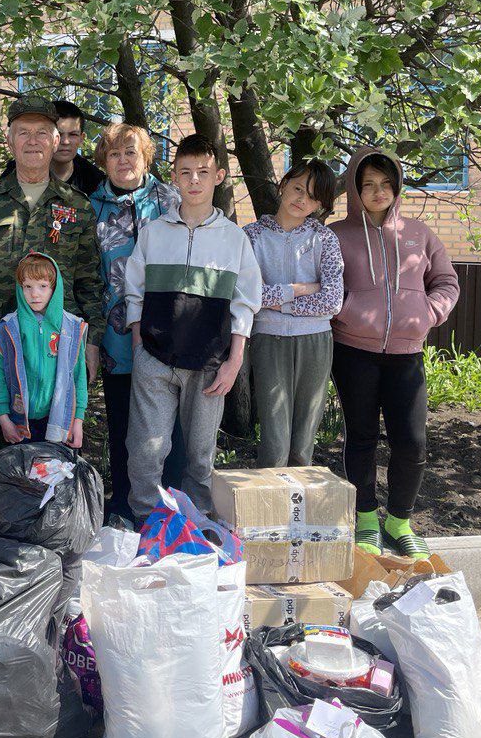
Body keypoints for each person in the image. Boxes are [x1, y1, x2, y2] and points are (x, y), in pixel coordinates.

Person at [0, 96, 105, 460]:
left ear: (56, 141)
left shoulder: (77, 206)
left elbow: (90, 281)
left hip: (56, 342)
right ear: (10, 141)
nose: (33, 141)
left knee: (57, 438)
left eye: (42, 133)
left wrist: (92, 340)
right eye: (23, 133)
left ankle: (52, 513)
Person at [123, 134, 262, 522]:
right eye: (185, 172)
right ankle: (145, 524)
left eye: (203, 172)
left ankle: (196, 525)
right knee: (147, 449)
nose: (194, 180)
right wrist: (139, 344)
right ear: (174, 177)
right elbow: (133, 289)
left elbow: (246, 303)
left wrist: (234, 362)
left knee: (200, 456)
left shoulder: (234, 239)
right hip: (155, 358)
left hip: (209, 364)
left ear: (219, 176)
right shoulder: (154, 232)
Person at [330, 148, 459, 559]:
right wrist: (349, 310)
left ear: (397, 187)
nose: (378, 191)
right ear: (355, 189)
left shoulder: (419, 234)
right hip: (354, 351)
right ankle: (366, 519)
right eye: (368, 184)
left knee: (412, 441)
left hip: (407, 353)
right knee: (361, 437)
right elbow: (326, 286)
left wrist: (427, 312)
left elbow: (447, 281)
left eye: (386, 183)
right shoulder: (337, 235)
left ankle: (399, 521)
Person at [89, 123, 178, 517]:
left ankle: (172, 510)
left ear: (146, 157)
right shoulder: (91, 206)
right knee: (124, 426)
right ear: (104, 161)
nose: (123, 160)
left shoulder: (171, 200)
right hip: (116, 337)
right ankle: (125, 509)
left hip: (169, 336)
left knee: (168, 429)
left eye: (131, 152)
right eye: (114, 154)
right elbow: (86, 274)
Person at [244, 159, 344, 468]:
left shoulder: (325, 240)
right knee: (274, 439)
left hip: (316, 341)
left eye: (313, 196)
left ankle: (299, 512)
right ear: (283, 183)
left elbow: (332, 301)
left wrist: (280, 301)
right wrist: (299, 289)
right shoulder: (251, 237)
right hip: (269, 339)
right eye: (298, 188)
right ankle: (267, 511)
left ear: (320, 204)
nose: (302, 200)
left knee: (303, 442)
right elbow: (250, 295)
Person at [0, 252, 87, 447]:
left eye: (43, 286)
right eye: (27, 287)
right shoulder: (8, 328)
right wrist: (3, 418)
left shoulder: (71, 327)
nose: (35, 294)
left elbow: (79, 376)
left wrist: (78, 421)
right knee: (23, 473)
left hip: (58, 420)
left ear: (54, 287)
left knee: (55, 472)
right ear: (20, 288)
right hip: (19, 421)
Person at [4, 99, 106, 197]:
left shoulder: (95, 180)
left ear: (81, 138)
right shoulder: (15, 172)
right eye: (59, 134)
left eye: (73, 135)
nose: (65, 142)